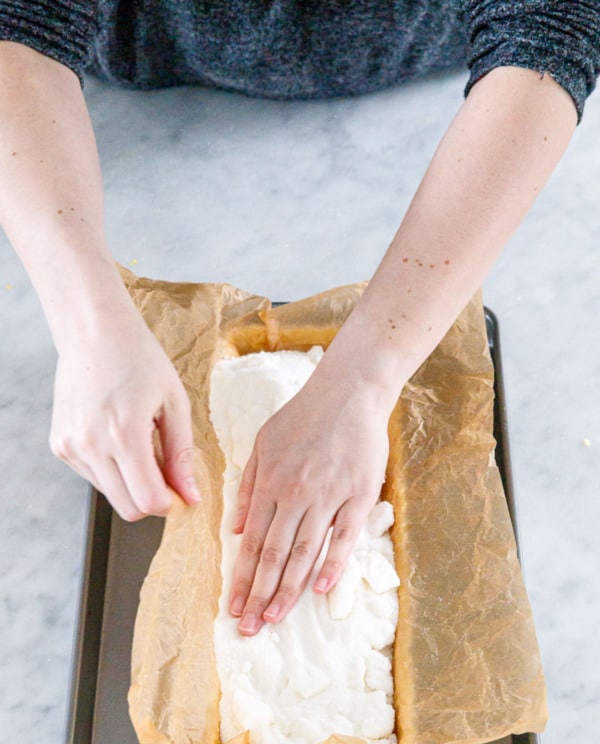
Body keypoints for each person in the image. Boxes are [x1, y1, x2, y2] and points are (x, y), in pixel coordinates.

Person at [0, 2, 598, 637]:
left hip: (461, 115)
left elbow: (547, 29)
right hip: (97, 113)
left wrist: (363, 378)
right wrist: (88, 318)